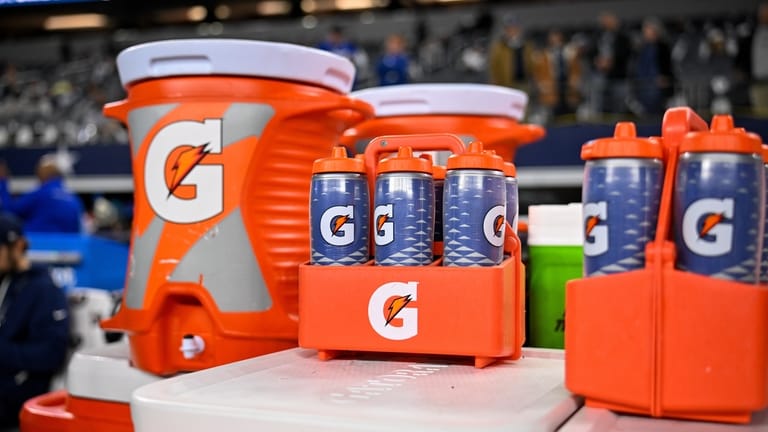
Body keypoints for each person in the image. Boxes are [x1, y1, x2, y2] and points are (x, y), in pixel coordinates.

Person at [0, 213, 69, 429]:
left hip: (18, 394)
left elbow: (50, 354)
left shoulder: (44, 289)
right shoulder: (7, 281)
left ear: (17, 246)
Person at [0, 154, 83, 233]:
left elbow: (9, 212)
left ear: (43, 174)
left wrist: (2, 180)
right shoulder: (74, 200)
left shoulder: (40, 195)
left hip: (38, 241)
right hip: (67, 243)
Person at [591, 12, 632, 114]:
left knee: (619, 103)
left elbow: (626, 53)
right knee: (599, 103)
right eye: (604, 21)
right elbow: (591, 52)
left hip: (618, 75)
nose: (606, 23)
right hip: (601, 75)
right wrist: (598, 61)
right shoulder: (598, 36)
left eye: (609, 21)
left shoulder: (623, 37)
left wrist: (611, 61)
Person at [633, 18, 673, 115]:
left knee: (657, 109)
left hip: (657, 85)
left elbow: (668, 64)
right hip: (643, 84)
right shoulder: (642, 47)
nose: (645, 33)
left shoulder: (663, 47)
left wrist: (665, 77)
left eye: (647, 30)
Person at [489, 15, 534, 93]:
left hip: (523, 82)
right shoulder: (499, 47)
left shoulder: (526, 45)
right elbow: (494, 67)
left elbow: (531, 64)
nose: (512, 32)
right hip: (506, 84)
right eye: (509, 29)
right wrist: (496, 84)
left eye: (515, 29)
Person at [752, 2, 768, 115]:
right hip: (758, 81)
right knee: (760, 115)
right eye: (762, 14)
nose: (764, 17)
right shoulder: (753, 32)